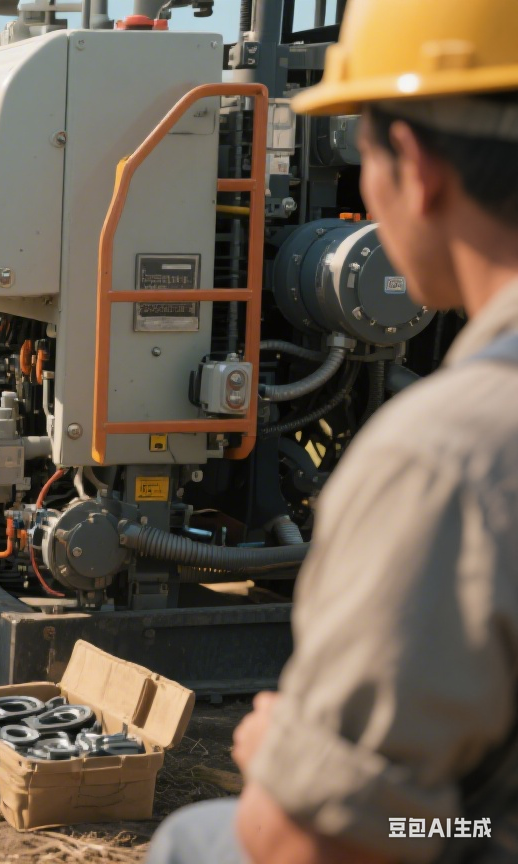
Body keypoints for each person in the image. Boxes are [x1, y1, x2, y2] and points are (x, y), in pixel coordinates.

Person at [147, 1, 518, 863]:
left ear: (415, 169)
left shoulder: (450, 453)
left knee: (194, 838)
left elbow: (328, 838)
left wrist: (282, 760)